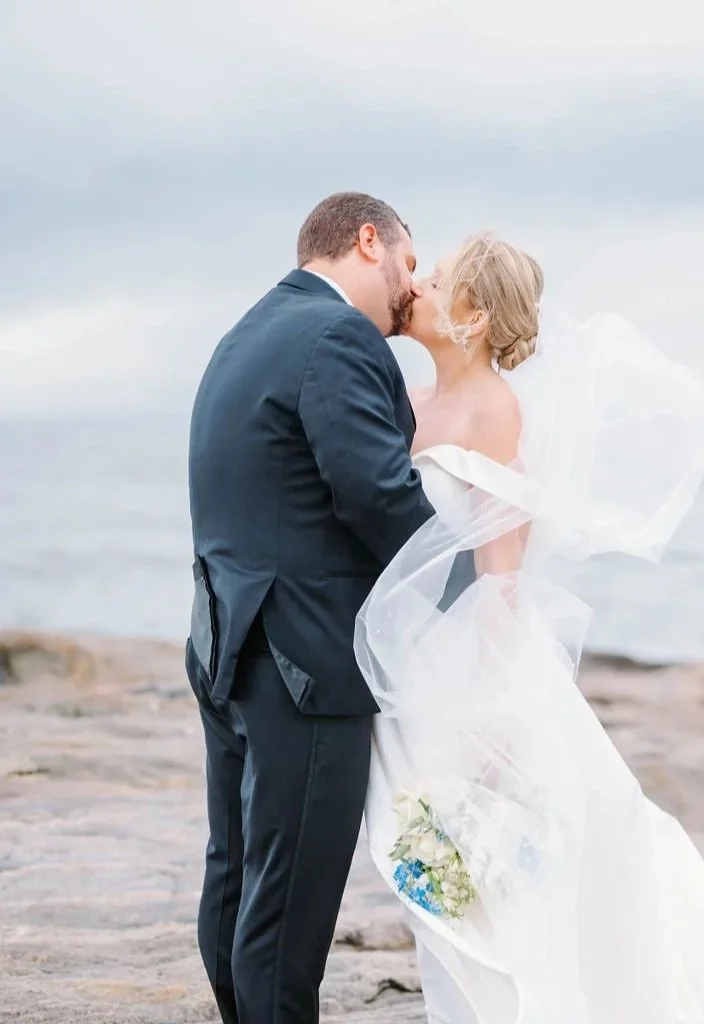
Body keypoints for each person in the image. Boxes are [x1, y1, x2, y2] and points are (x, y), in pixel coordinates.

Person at [358, 233, 704, 1023]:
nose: (417, 283)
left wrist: (490, 726)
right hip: (414, 673)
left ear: (476, 314)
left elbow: (503, 577)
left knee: (500, 883)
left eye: (439, 276)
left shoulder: (497, 412)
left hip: (471, 677)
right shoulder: (408, 403)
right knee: (432, 881)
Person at [185, 192, 433, 1024]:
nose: (413, 282)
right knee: (288, 908)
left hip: (227, 644)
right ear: (370, 241)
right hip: (304, 661)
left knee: (240, 874)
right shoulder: (338, 337)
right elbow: (379, 494)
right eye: (408, 261)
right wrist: (467, 587)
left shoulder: (247, 332)